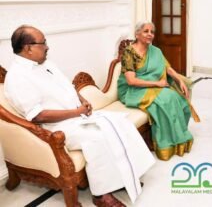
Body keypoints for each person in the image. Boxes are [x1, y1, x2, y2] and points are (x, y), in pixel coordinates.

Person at [4, 25, 155, 206]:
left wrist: (82, 100)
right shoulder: (18, 77)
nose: (47, 47)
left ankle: (123, 177)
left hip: (77, 117)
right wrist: (77, 112)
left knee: (120, 124)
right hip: (55, 128)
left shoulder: (46, 64)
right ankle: (101, 195)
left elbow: (68, 87)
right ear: (28, 48)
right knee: (97, 138)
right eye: (43, 43)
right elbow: (38, 116)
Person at [117, 21, 199, 161]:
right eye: (146, 31)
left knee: (178, 98)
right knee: (166, 100)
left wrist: (179, 80)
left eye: (152, 32)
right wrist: (157, 83)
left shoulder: (155, 51)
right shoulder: (129, 53)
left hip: (152, 85)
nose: (150, 34)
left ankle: (178, 136)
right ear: (137, 34)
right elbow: (131, 81)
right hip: (133, 90)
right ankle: (166, 143)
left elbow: (167, 68)